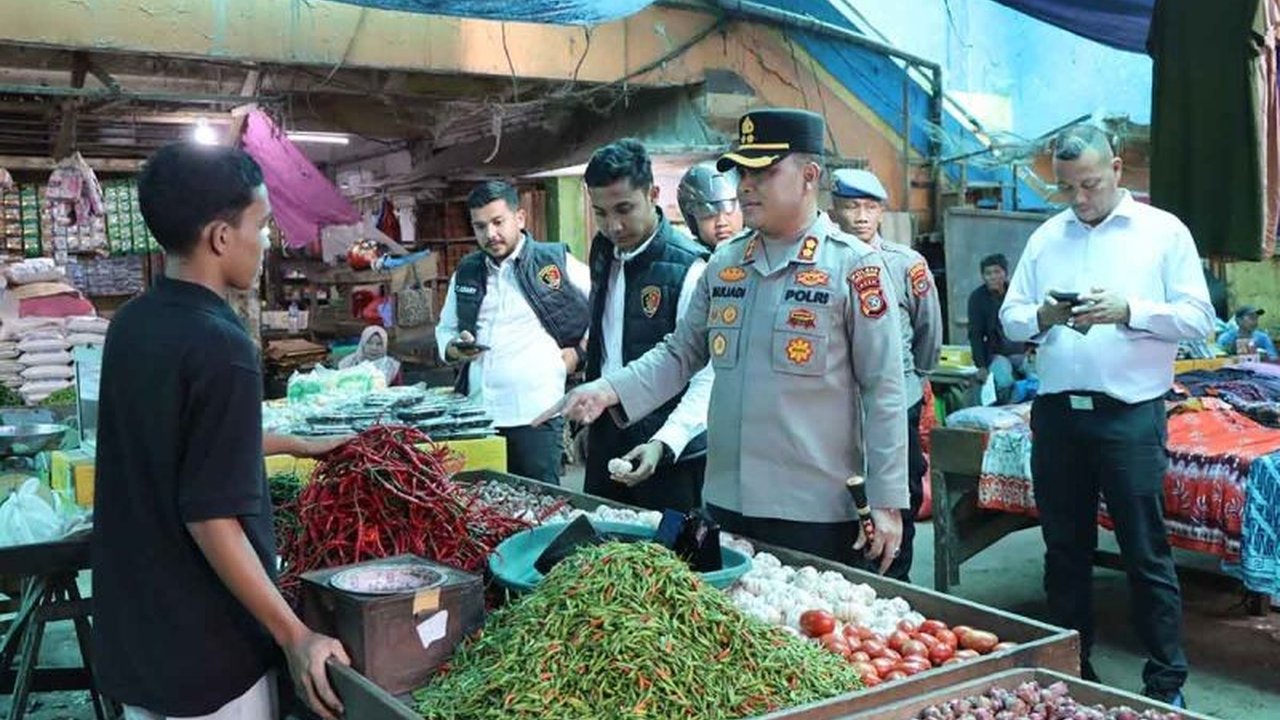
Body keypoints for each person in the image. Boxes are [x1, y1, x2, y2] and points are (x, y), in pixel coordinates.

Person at [536, 109, 909, 572]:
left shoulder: (854, 268)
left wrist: (888, 499)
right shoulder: (726, 263)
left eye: (764, 171)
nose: (746, 185)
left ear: (809, 176)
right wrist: (607, 390)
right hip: (725, 501)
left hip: (813, 509)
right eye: (742, 172)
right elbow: (681, 352)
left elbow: (885, 388)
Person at [92, 143, 349, 720]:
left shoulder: (132, 324)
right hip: (208, 653)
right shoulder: (222, 345)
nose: (265, 243)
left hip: (141, 638)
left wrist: (301, 445)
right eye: (259, 225)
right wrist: (294, 635)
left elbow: (181, 442)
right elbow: (211, 518)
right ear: (219, 236)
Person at [999, 124, 1212, 708]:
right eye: (1067, 187)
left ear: (1117, 169)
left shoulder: (1163, 233)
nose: (1080, 199)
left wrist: (1130, 311)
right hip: (1059, 418)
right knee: (1063, 550)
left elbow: (1198, 319)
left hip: (1130, 418)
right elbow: (1011, 318)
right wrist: (1042, 315)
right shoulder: (1047, 237)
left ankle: (1166, 686)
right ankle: (1073, 672)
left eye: (1089, 183)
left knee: (1145, 553)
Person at [580, 139, 713, 512]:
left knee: (668, 562)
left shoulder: (692, 267)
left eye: (624, 209)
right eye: (601, 213)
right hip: (607, 437)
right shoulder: (604, 251)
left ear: (653, 193)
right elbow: (604, 346)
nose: (614, 225)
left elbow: (708, 375)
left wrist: (666, 441)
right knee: (599, 556)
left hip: (671, 450)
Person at [436, 180, 590, 484]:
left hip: (536, 415)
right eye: (480, 226)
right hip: (479, 416)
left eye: (497, 222)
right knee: (485, 508)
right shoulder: (467, 272)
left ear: (519, 218)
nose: (490, 234)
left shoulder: (554, 262)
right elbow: (445, 328)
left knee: (542, 506)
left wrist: (579, 353)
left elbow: (604, 309)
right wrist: (454, 348)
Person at [830, 167, 942, 581]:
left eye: (869, 207)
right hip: (841, 408)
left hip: (900, 405)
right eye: (850, 207)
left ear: (882, 213)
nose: (860, 216)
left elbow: (929, 334)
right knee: (844, 504)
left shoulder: (906, 265)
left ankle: (899, 581)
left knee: (901, 495)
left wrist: (911, 381)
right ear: (833, 211)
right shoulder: (825, 263)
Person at [968, 253, 1034, 403]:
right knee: (1004, 382)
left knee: (1037, 379)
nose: (992, 277)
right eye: (988, 273)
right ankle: (1006, 413)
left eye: (997, 272)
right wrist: (981, 366)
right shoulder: (978, 298)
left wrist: (1033, 347)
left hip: (1021, 351)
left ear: (1005, 273)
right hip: (997, 353)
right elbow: (975, 334)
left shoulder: (1016, 294)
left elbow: (1031, 320)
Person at [676, 161, 743, 249]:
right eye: (707, 213)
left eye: (728, 208)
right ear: (692, 220)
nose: (721, 223)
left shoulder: (762, 251)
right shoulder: (691, 260)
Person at [338, 325, 403, 385]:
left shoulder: (391, 367)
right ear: (363, 344)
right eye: (369, 343)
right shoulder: (348, 364)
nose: (374, 348)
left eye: (379, 344)